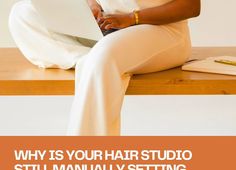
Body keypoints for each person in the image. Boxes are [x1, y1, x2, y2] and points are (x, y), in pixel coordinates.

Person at [9, 0, 201, 136]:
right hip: (108, 29)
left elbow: (191, 6)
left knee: (104, 55)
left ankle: (87, 164)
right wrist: (93, 6)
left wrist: (132, 18)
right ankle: (92, 63)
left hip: (162, 31)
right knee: (23, 13)